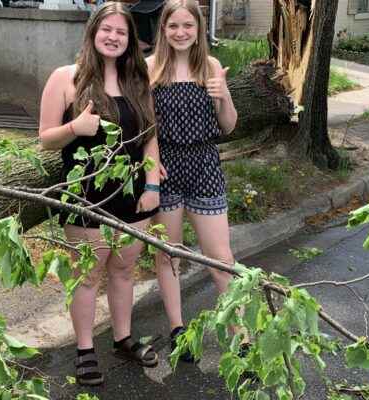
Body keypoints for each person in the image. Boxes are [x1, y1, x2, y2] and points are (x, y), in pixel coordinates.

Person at [37, 1, 163, 386]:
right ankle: (85, 350)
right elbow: (45, 139)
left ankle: (123, 338)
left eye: (121, 32)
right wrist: (75, 127)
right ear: (93, 32)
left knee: (124, 270)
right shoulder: (66, 78)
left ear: (130, 41)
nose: (113, 37)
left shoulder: (137, 83)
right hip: (86, 196)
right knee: (87, 277)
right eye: (106, 29)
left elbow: (149, 138)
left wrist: (153, 185)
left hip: (134, 196)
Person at [146, 0, 238, 363]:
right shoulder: (150, 69)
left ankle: (239, 335)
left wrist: (224, 95)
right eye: (173, 26)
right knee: (169, 254)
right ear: (163, 30)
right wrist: (150, 164)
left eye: (188, 26)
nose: (181, 33)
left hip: (205, 165)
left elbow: (229, 126)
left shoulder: (210, 66)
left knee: (221, 257)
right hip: (167, 169)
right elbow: (143, 125)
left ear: (199, 29)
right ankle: (177, 330)